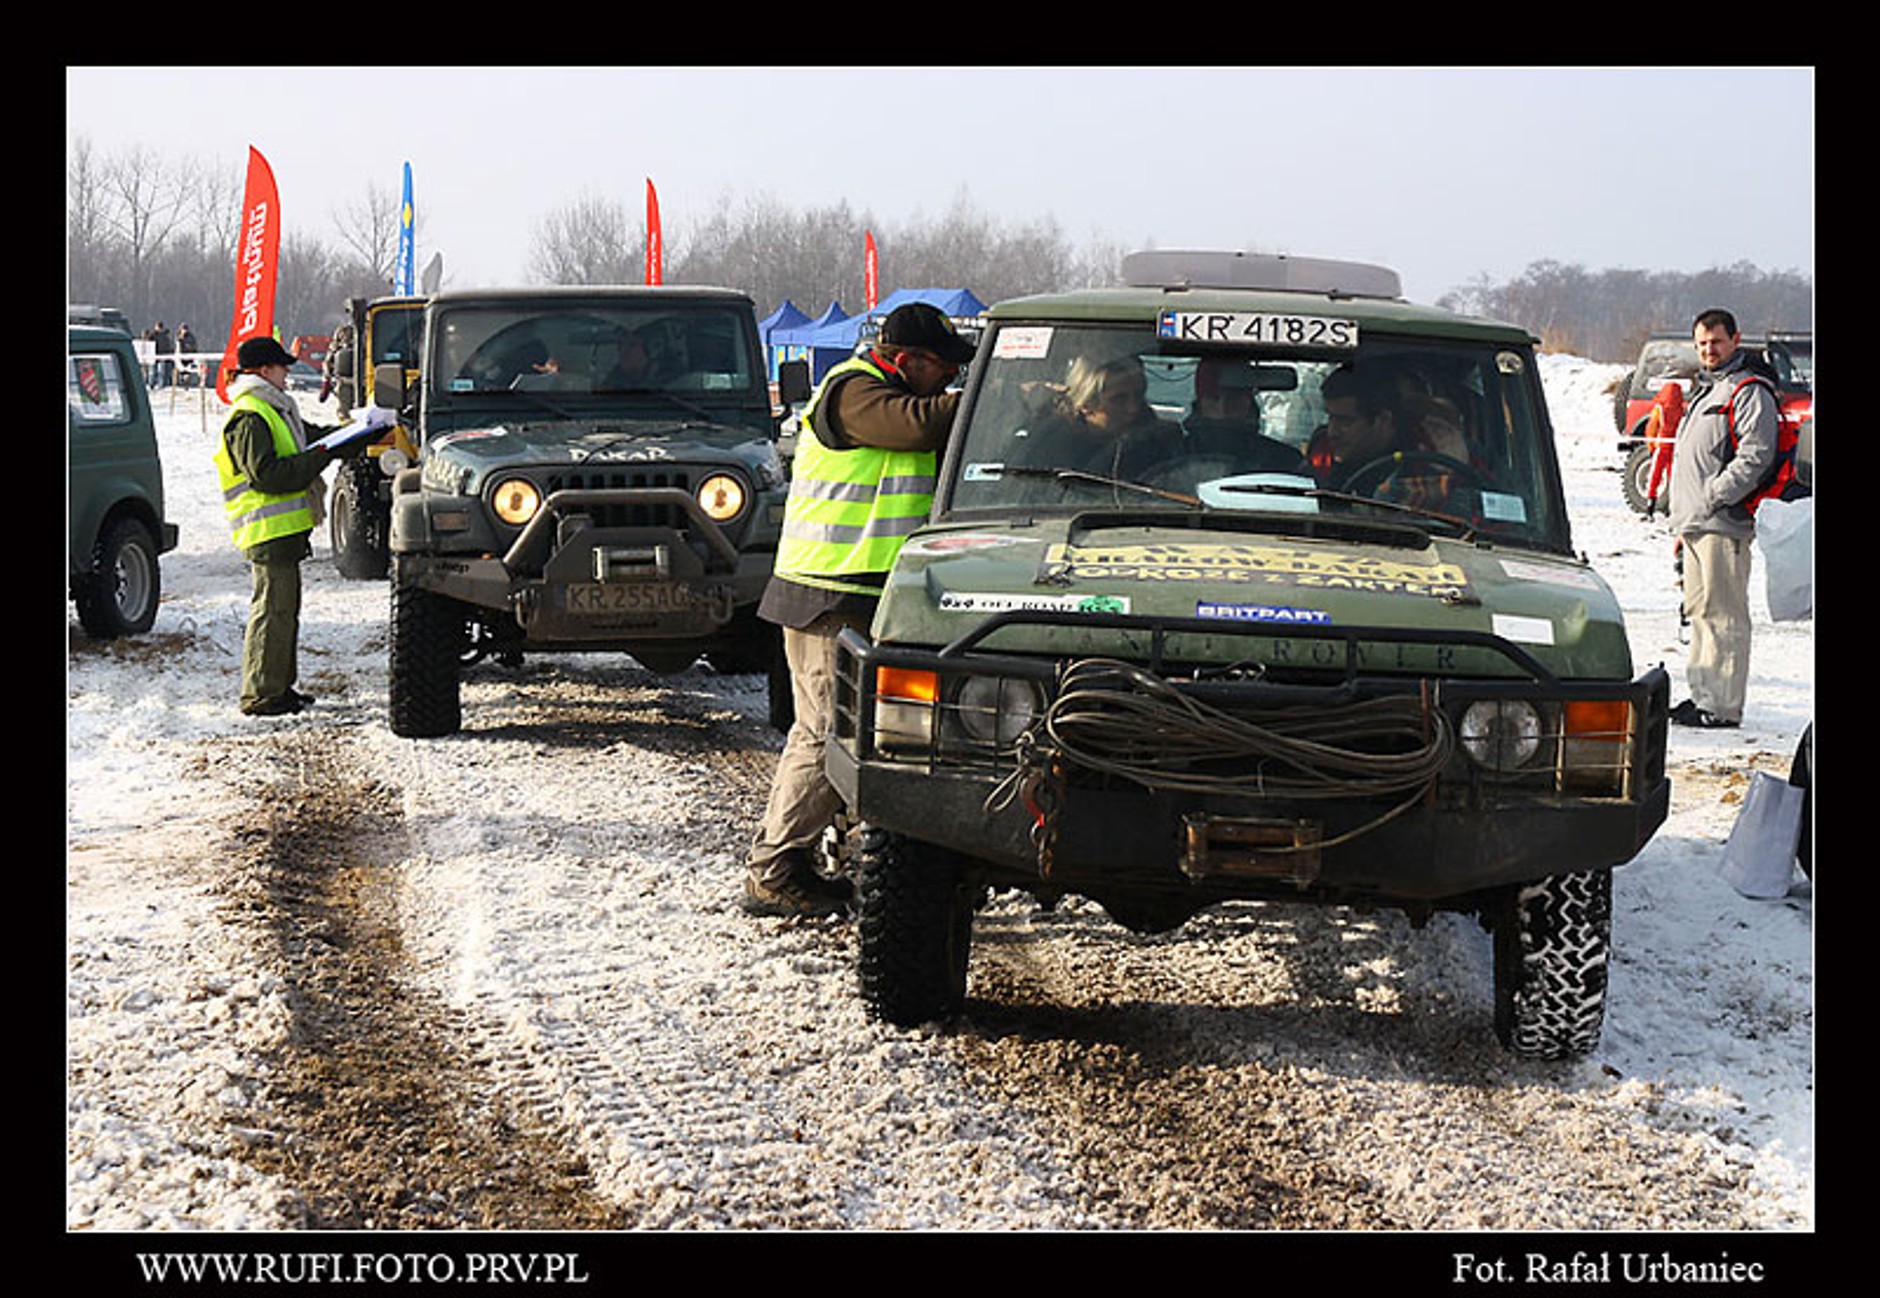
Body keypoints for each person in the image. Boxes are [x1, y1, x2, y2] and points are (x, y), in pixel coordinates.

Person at [742, 302, 975, 917]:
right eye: (944, 370)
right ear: (906, 361)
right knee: (825, 735)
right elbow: (923, 425)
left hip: (874, 595)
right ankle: (774, 870)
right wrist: (994, 395)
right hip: (827, 593)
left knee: (866, 738)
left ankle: (830, 853)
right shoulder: (849, 393)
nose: (949, 381)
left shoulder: (885, 392)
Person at [213, 335, 352, 716]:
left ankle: (278, 687)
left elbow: (314, 439)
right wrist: (323, 456)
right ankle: (261, 694)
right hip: (265, 531)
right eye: (281, 366)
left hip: (283, 532)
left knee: (283, 611)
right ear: (262, 370)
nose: (288, 372)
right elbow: (268, 475)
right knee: (272, 612)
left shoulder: (275, 409)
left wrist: (357, 435)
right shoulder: (249, 414)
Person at [1666, 309, 1779, 729]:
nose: (1708, 350)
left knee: (1725, 615)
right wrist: (1683, 520)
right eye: (1701, 344)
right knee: (1700, 611)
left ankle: (1723, 706)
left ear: (1735, 339)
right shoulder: (1708, 390)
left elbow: (1756, 455)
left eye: (1715, 342)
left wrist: (1714, 496)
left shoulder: (1748, 391)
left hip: (1723, 522)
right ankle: (1703, 696)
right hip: (1696, 523)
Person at [1181, 358, 1305, 472]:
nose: (1224, 407)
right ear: (1200, 402)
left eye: (1235, 398)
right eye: (1214, 398)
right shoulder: (1172, 452)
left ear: (1249, 401)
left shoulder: (1284, 460)